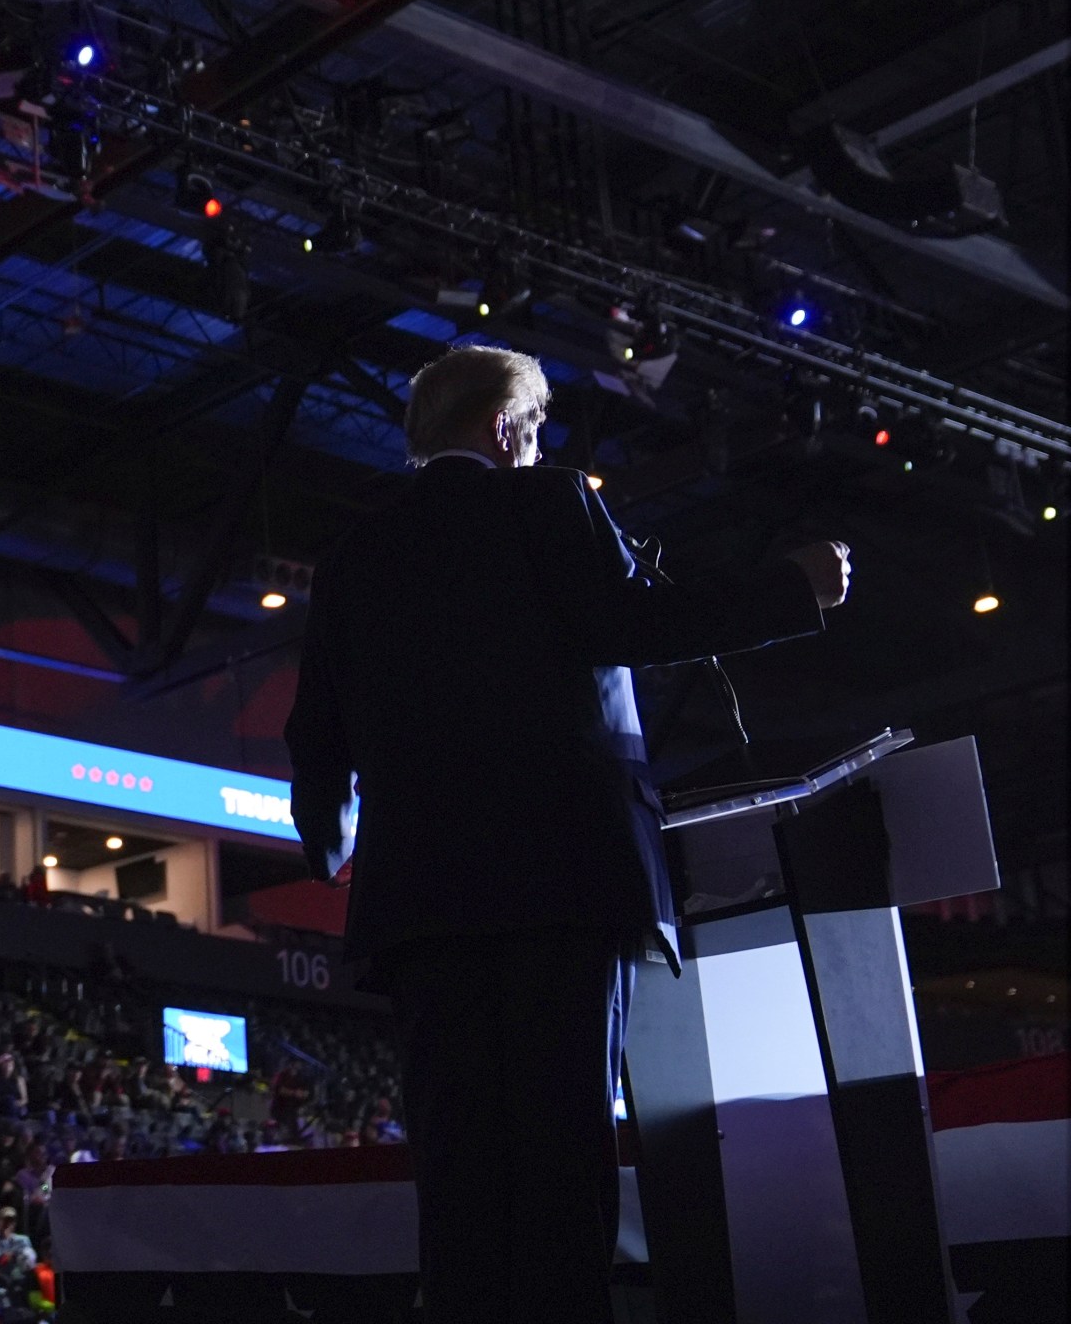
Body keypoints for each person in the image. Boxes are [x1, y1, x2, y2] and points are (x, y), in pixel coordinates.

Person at [283, 346, 848, 1324]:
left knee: (457, 1166)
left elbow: (314, 734)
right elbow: (634, 622)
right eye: (533, 428)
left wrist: (330, 837)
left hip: (419, 905)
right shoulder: (547, 505)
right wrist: (790, 588)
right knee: (559, 1148)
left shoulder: (350, 558)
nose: (535, 445)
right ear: (505, 428)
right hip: (563, 878)